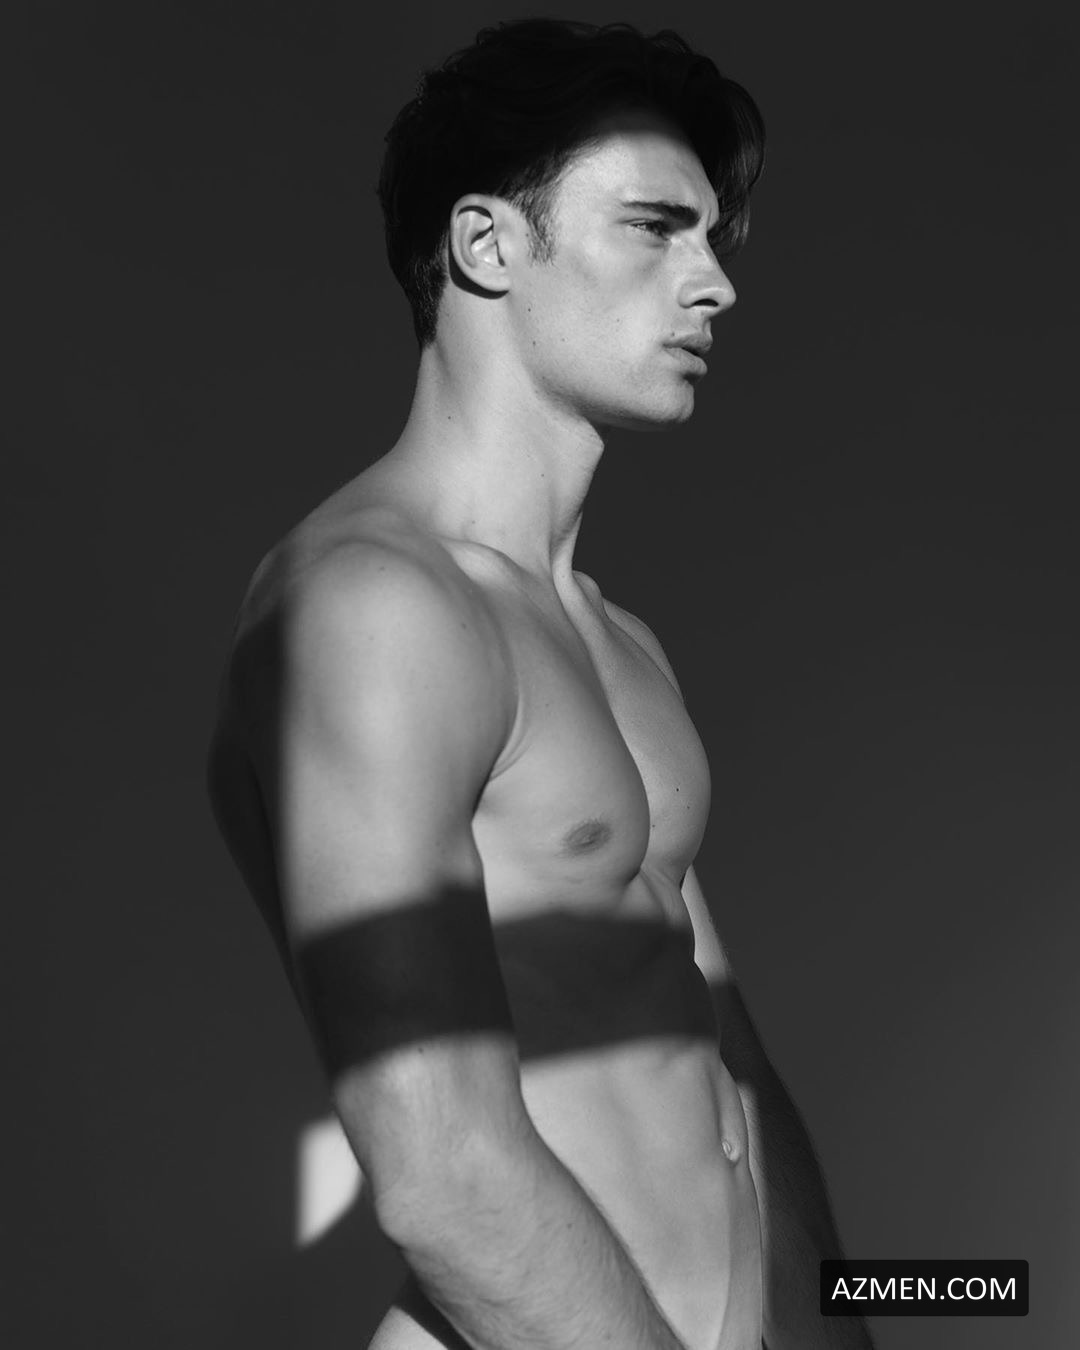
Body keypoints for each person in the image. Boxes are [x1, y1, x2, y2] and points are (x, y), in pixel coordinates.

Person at [207, 19, 875, 1350]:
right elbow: (440, 1169)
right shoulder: (374, 606)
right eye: (654, 228)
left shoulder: (616, 636)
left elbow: (727, 1055)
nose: (715, 285)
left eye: (713, 240)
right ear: (487, 245)